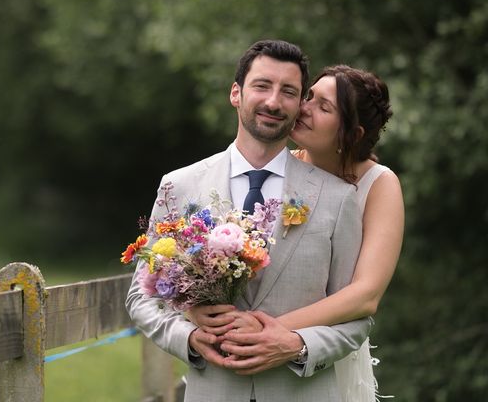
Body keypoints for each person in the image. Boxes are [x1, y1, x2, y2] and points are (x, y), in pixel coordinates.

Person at [126, 40, 372, 402]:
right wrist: (190, 338)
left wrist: (297, 345)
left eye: (288, 91)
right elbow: (141, 298)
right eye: (262, 86)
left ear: (300, 103)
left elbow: (356, 320)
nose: (273, 102)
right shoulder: (179, 186)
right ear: (236, 93)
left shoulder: (338, 198)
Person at [192, 65, 404, 401]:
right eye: (309, 97)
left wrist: (273, 331)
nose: (303, 108)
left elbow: (365, 295)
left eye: (324, 107)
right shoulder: (276, 167)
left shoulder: (378, 184)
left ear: (354, 132)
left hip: (322, 354)